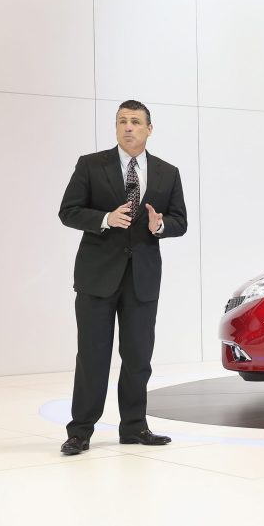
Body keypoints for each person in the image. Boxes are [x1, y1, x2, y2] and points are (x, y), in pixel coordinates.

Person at [58, 99, 187, 455]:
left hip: (142, 280)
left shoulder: (167, 172)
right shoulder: (90, 165)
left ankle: (134, 427)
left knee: (138, 358)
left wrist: (160, 225)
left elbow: (180, 221)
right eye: (121, 121)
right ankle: (80, 431)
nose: (127, 127)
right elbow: (68, 211)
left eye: (135, 121)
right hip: (97, 278)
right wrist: (105, 219)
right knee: (92, 357)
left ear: (149, 128)